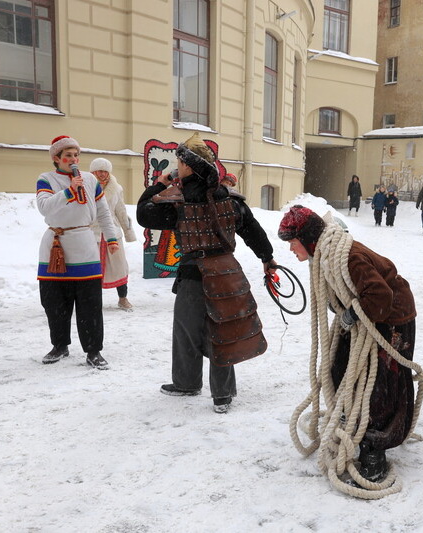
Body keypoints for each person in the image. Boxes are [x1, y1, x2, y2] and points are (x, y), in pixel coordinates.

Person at [136, 133, 276, 414]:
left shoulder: (177, 200)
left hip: (194, 274)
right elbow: (253, 230)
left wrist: (158, 185)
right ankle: (222, 394)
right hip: (227, 271)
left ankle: (187, 382)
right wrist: (267, 258)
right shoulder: (230, 198)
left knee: (187, 329)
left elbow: (143, 214)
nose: (178, 166)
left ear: (188, 166)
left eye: (180, 161)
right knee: (221, 329)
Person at [278, 205, 416, 483]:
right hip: (372, 315)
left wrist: (353, 312)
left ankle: (374, 447)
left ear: (307, 240)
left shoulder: (349, 257)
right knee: (340, 367)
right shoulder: (326, 255)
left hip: (391, 318)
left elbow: (380, 294)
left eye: (293, 243)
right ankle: (352, 422)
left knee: (379, 386)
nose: (291, 250)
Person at [36, 136, 120, 370]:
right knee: (54, 302)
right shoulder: (46, 179)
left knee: (90, 302)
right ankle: (60, 344)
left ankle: (93, 350)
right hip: (55, 244)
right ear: (57, 159)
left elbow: (103, 212)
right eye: (68, 156)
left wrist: (111, 238)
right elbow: (44, 207)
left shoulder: (91, 180)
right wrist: (68, 191)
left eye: (76, 155)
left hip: (84, 245)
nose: (74, 160)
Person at [89, 158, 137, 311]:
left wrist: (128, 232)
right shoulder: (85, 188)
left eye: (105, 171)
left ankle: (123, 298)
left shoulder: (116, 188)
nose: (102, 174)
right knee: (92, 270)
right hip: (92, 234)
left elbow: (121, 211)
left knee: (119, 267)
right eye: (99, 171)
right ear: (92, 172)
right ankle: (92, 301)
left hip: (112, 234)